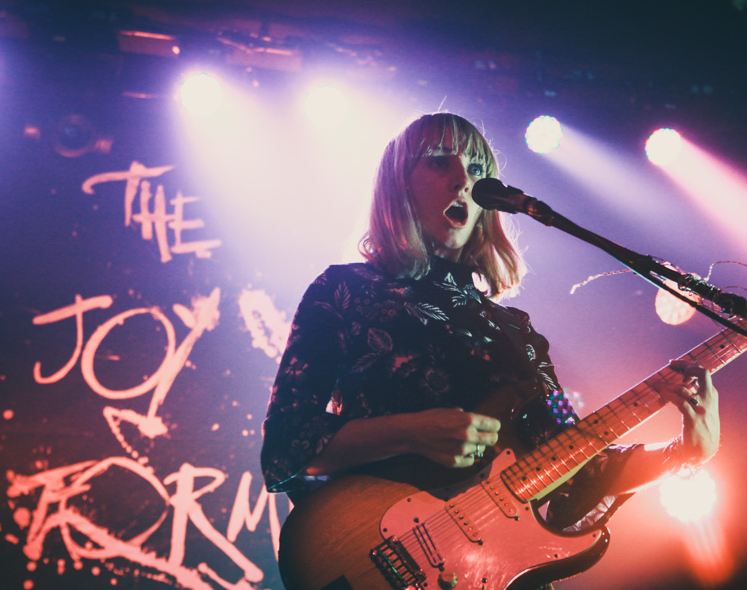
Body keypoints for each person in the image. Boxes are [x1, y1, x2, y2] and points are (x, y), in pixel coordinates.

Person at [261, 113, 719, 580]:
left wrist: (682, 453)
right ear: (398, 185)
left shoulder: (519, 333)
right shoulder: (344, 290)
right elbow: (284, 446)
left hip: (494, 573)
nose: (464, 180)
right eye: (439, 162)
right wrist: (411, 432)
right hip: (379, 556)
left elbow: (576, 460)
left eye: (477, 169)